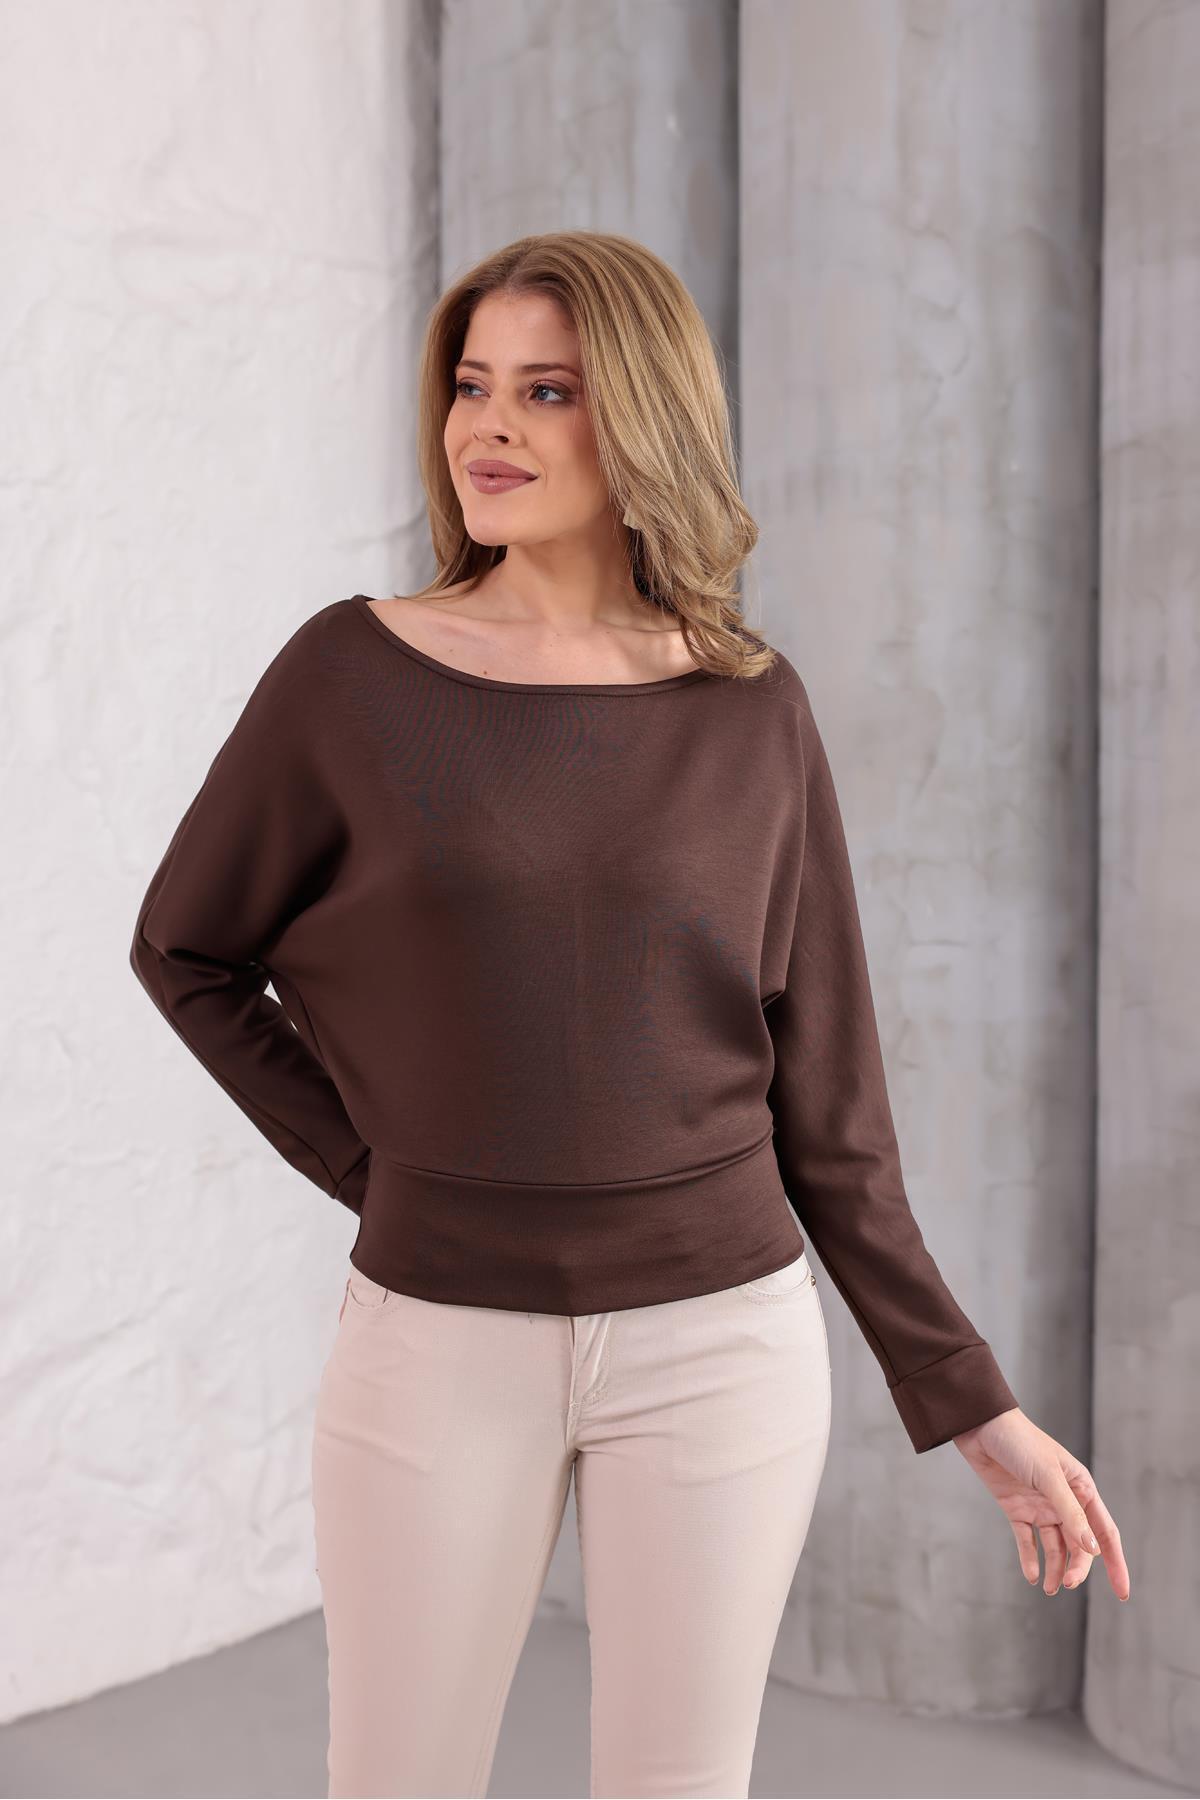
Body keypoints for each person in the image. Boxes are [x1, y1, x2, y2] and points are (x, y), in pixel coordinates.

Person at [129, 229, 1130, 1800]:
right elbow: (185, 947)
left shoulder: (750, 706)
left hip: (721, 1348)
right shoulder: (349, 677)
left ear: (644, 415)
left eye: (548, 390)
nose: (488, 426)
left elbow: (832, 1115)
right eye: (472, 385)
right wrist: (378, 1171)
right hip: (438, 1338)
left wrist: (969, 1399)